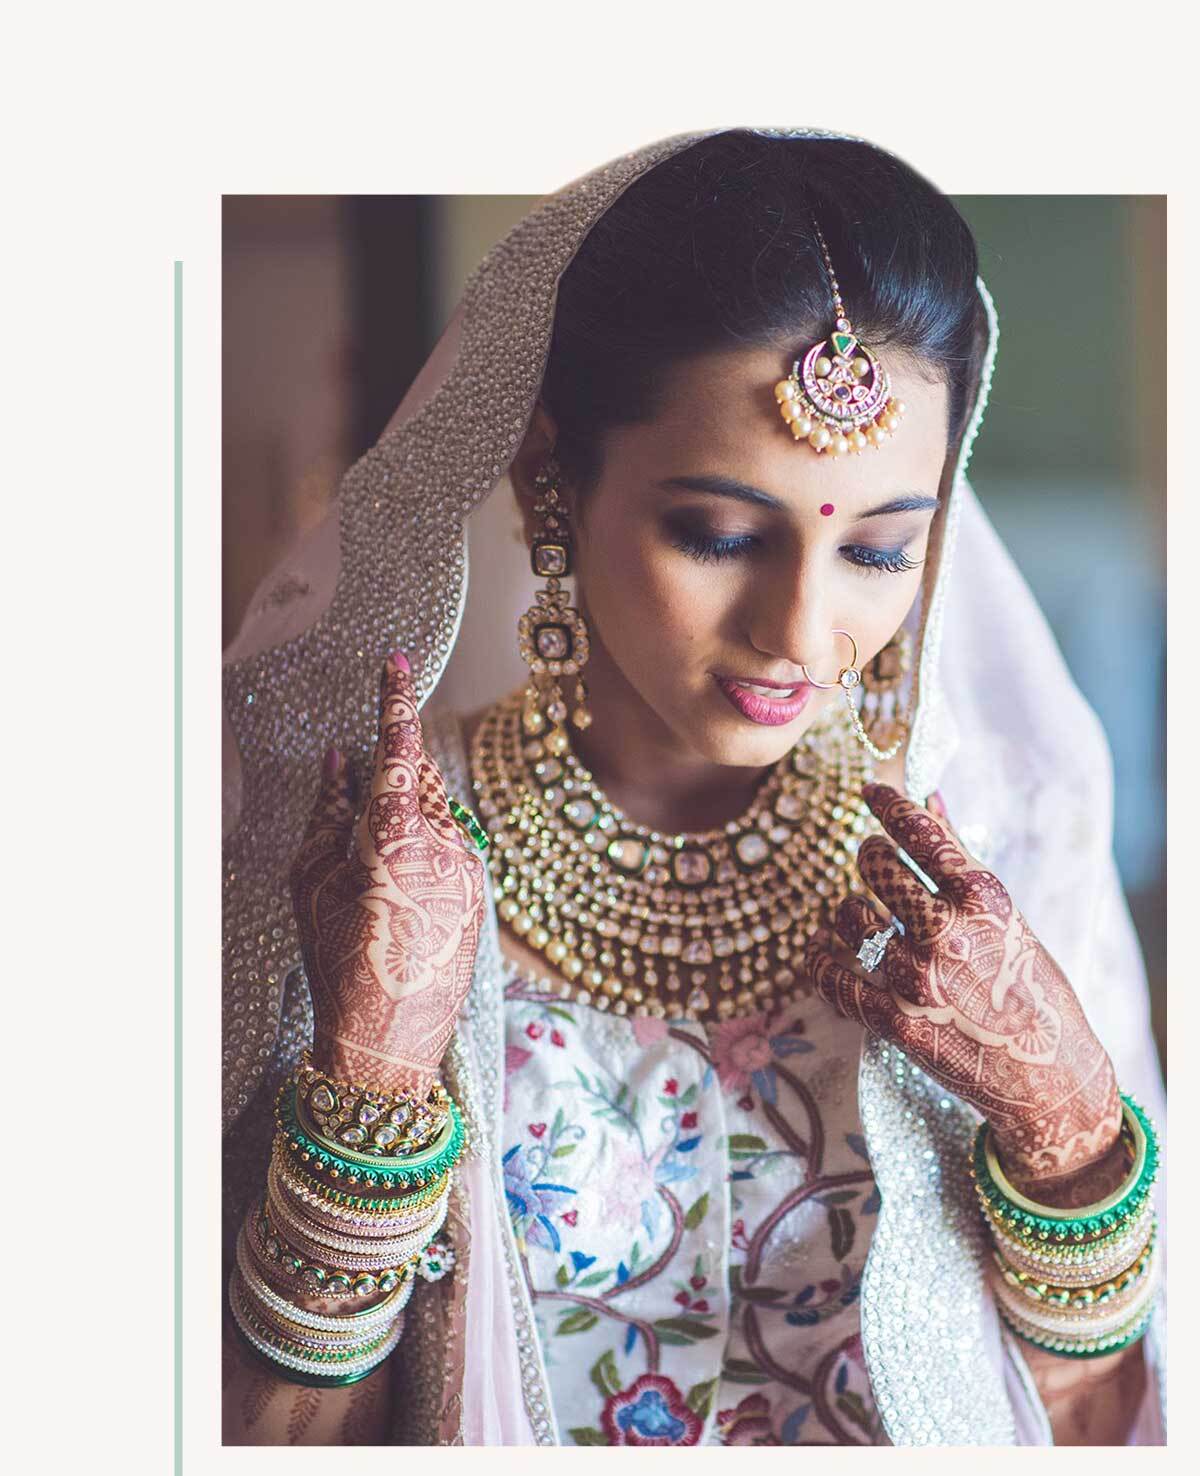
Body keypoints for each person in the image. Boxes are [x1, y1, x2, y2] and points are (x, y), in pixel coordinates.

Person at [220, 128, 1166, 1446]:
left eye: (883, 551)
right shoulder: (378, 875)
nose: (799, 629)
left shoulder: (983, 880)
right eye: (719, 533)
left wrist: (1062, 1123)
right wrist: (373, 1076)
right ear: (554, 475)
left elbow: (1113, 1423)